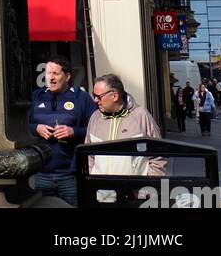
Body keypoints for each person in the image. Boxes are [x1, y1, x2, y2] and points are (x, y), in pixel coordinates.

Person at [27, 55, 96, 206]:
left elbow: (96, 131)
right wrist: (36, 128)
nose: (50, 78)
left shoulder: (81, 98)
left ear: (67, 76)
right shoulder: (36, 97)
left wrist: (74, 132)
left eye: (55, 74)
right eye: (48, 73)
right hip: (40, 175)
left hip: (70, 176)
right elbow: (21, 127)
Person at [85, 73, 166, 180]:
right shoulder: (95, 117)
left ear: (114, 96)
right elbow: (89, 156)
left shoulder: (141, 116)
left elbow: (158, 156)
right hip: (101, 192)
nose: (95, 100)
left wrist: (147, 187)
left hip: (133, 192)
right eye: (93, 95)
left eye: (99, 97)